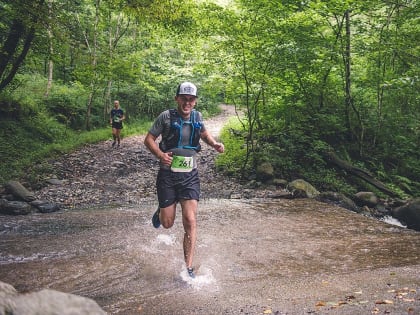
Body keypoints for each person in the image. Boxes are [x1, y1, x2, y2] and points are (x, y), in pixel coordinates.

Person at [144, 82, 224, 278]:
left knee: (190, 219)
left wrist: (214, 144)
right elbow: (148, 139)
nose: (187, 102)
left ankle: (188, 267)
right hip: (167, 175)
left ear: (195, 101)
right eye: (184, 98)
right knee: (168, 223)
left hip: (190, 176)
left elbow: (203, 133)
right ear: (177, 99)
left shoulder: (197, 117)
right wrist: (160, 155)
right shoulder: (166, 117)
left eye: (191, 99)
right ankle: (162, 211)